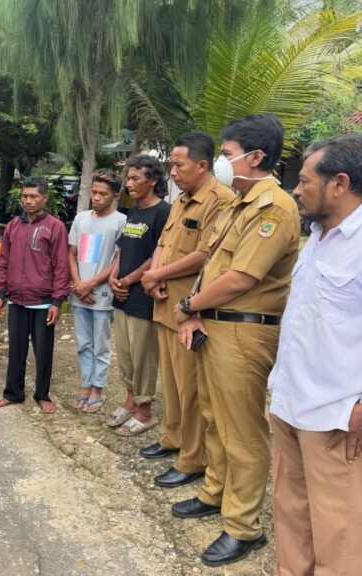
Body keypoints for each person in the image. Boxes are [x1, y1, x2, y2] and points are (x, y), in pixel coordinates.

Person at [172, 115, 300, 567]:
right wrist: (195, 309)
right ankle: (214, 492)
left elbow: (241, 277)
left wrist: (188, 306)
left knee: (242, 430)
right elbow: (211, 266)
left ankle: (244, 527)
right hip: (215, 323)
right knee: (213, 416)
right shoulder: (237, 205)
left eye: (226, 156)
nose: (223, 164)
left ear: (256, 157)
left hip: (245, 329)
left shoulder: (275, 208)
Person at [268, 134, 362, 574]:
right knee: (292, 518)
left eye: (305, 181)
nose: (296, 188)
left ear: (339, 184)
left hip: (335, 415)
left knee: (338, 533)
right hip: (290, 402)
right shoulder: (319, 236)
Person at [139, 134, 235, 488]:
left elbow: (207, 254)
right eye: (172, 165)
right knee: (172, 384)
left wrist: (157, 274)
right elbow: (165, 241)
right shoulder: (181, 200)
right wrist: (153, 276)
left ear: (202, 165)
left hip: (188, 310)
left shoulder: (220, 201)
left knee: (191, 389)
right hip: (164, 303)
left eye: (179, 165)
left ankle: (193, 458)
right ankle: (172, 438)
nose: (173, 172)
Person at [0, 178, 70, 414]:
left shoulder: (55, 227)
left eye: (33, 196)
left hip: (43, 301)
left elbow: (61, 266)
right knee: (16, 350)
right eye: (24, 196)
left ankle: (42, 394)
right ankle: (13, 393)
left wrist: (57, 300)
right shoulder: (13, 226)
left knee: (43, 351)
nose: (28, 200)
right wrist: (0, 294)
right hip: (16, 300)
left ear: (45, 198)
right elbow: (3, 262)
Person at [106, 155, 171, 436]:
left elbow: (160, 254)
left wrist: (130, 279)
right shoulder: (133, 212)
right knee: (125, 353)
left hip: (143, 295)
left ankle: (145, 412)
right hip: (122, 293)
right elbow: (123, 250)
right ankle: (130, 401)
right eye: (128, 178)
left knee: (143, 355)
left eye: (135, 179)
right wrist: (114, 275)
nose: (129, 184)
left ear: (153, 181)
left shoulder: (164, 212)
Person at [68, 170, 126, 413]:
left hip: (101, 295)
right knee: (83, 343)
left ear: (115, 195)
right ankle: (85, 383)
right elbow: (72, 253)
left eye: (103, 193)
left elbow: (117, 261)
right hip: (79, 293)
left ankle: (98, 387)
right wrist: (79, 283)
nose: (97, 197)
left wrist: (90, 284)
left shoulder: (121, 221)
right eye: (94, 192)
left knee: (100, 344)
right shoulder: (81, 219)